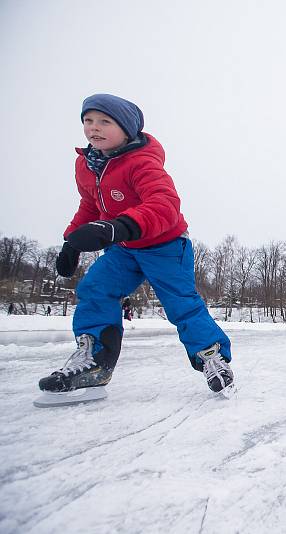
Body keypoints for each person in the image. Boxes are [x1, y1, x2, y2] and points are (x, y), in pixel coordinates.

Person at [39, 94, 234, 397]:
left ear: (127, 129)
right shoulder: (87, 165)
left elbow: (165, 204)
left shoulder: (142, 162)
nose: (95, 128)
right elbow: (90, 206)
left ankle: (212, 356)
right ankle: (95, 362)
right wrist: (72, 242)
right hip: (125, 249)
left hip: (165, 245)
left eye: (105, 121)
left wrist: (118, 227)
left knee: (181, 303)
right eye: (88, 121)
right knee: (94, 289)